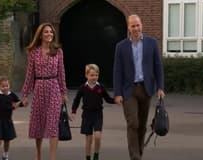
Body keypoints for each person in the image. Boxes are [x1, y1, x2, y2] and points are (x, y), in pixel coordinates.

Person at [113, 14, 165, 160]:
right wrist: (118, 93)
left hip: (146, 88)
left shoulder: (152, 43)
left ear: (141, 25)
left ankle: (139, 152)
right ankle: (134, 156)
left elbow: (158, 67)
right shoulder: (121, 47)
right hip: (129, 90)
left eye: (137, 25)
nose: (135, 28)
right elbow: (117, 71)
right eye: (132, 26)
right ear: (128, 28)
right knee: (133, 123)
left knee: (142, 124)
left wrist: (160, 87)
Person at [21, 23, 68, 160]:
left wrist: (64, 93)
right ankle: (38, 155)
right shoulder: (33, 52)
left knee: (53, 125)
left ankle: (52, 158)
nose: (49, 34)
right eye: (46, 32)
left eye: (51, 32)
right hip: (39, 88)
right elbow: (29, 75)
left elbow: (61, 73)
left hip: (53, 88)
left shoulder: (58, 52)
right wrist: (25, 95)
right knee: (38, 125)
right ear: (40, 35)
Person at [70, 64, 115, 160]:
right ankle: (88, 157)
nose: (94, 77)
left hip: (98, 115)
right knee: (89, 140)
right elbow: (77, 100)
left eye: (96, 75)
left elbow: (108, 99)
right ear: (86, 75)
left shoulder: (101, 87)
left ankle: (96, 155)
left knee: (97, 136)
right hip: (86, 115)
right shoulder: (83, 88)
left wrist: (116, 100)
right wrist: (73, 111)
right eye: (92, 75)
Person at [0, 76, 25, 160]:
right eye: (3, 86)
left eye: (7, 86)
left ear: (9, 86)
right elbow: (4, 107)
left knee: (7, 139)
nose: (5, 88)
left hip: (7, 120)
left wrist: (23, 104)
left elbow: (18, 101)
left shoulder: (11, 94)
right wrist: (14, 107)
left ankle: (5, 155)